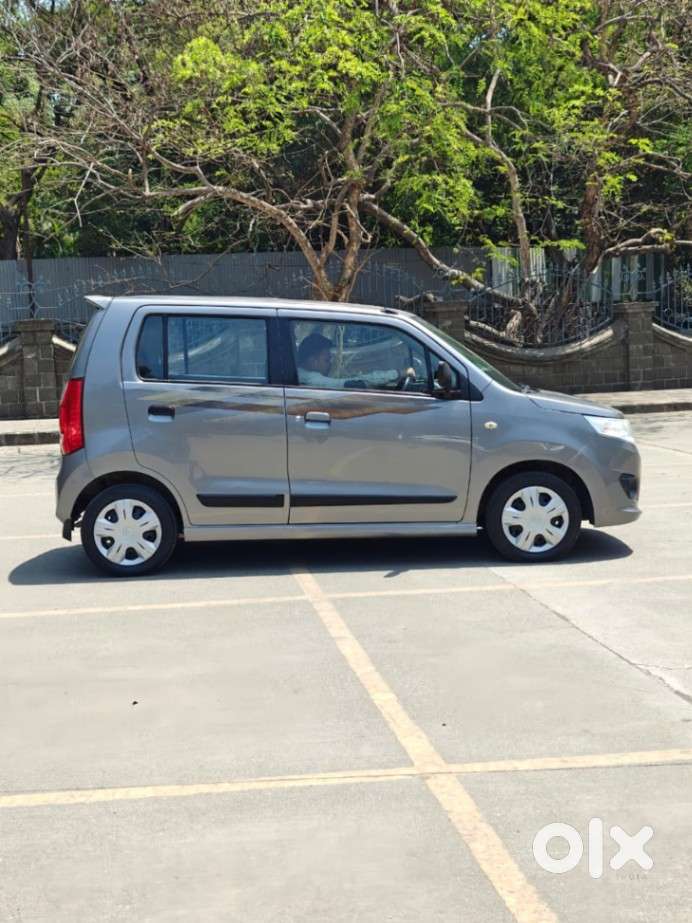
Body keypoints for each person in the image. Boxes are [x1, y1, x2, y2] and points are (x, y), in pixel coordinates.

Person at [296, 331, 400, 389]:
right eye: (327, 360)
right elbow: (352, 384)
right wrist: (396, 374)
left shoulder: (300, 376)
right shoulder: (311, 379)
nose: (330, 364)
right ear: (312, 360)